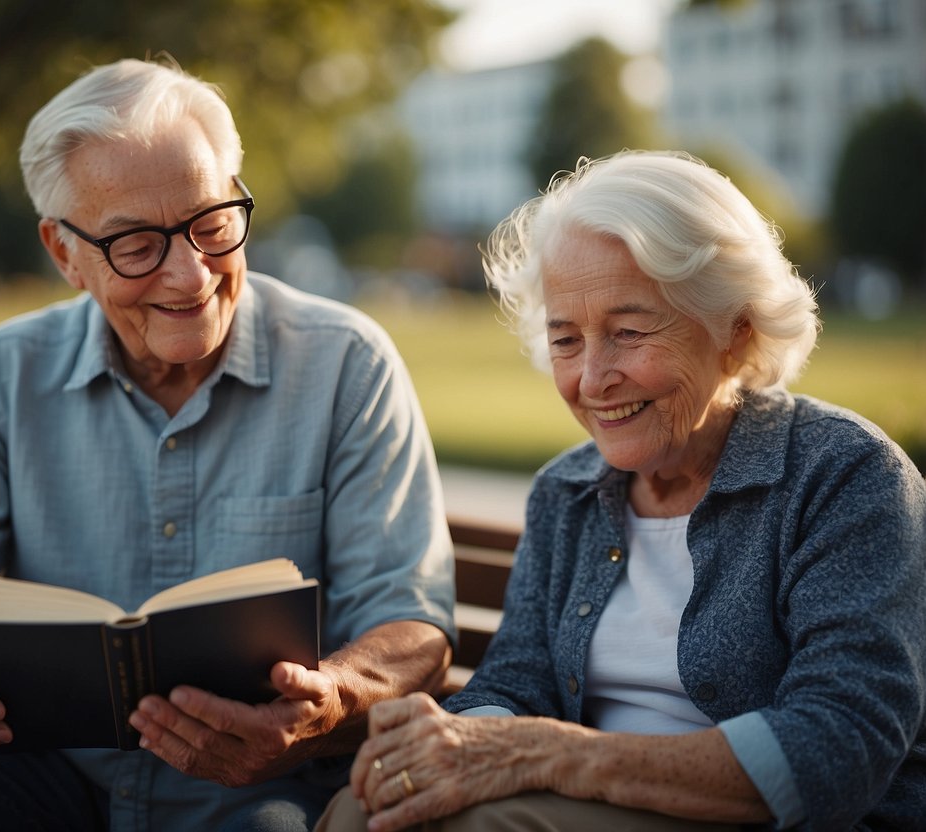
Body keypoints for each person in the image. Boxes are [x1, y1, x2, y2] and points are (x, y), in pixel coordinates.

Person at [0, 57, 456, 831]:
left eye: (211, 224)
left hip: (252, 792)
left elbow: (411, 624)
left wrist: (329, 698)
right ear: (63, 252)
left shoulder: (344, 363)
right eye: (138, 245)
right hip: (43, 787)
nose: (189, 274)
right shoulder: (0, 373)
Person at [317, 150, 926, 832]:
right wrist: (458, 744)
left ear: (737, 330)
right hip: (585, 804)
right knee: (361, 807)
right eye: (565, 340)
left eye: (628, 333)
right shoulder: (567, 492)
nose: (592, 378)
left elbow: (837, 743)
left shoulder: (845, 477)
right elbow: (516, 683)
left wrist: (551, 756)